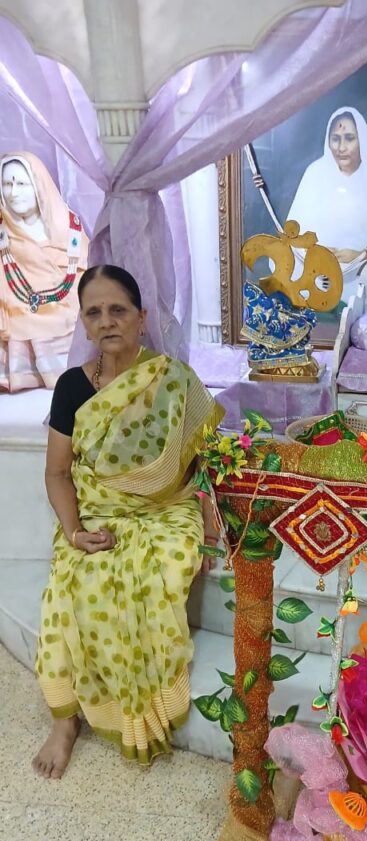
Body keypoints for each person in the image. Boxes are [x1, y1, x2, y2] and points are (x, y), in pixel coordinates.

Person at [32, 265, 223, 778]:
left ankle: (147, 705)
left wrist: (209, 529)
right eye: (94, 312)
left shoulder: (173, 379)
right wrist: (74, 532)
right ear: (83, 323)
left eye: (118, 309)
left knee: (158, 573)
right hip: (96, 511)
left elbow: (207, 462)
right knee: (75, 583)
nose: (107, 321)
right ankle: (67, 720)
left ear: (141, 316)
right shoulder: (72, 387)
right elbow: (57, 473)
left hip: (166, 510)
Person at [0, 152, 89, 392]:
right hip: (16, 311)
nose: (13, 193)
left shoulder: (69, 226)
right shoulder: (2, 231)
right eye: (7, 184)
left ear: (38, 184)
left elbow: (84, 271)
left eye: (21, 183)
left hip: (67, 306)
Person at [286, 106, 367, 272]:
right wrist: (313, 251)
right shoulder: (315, 173)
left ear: (362, 140)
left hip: (364, 273)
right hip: (315, 271)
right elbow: (293, 231)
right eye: (335, 139)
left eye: (349, 138)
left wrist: (361, 256)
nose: (341, 147)